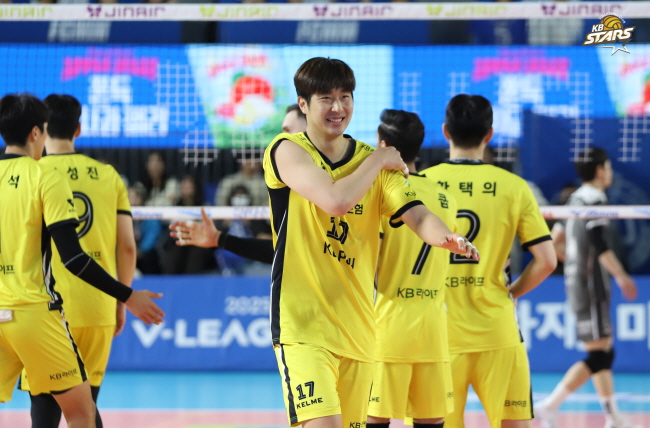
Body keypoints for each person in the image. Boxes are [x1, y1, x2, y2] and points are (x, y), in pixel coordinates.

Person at [172, 57, 478, 428]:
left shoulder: (373, 162)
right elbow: (335, 201)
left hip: (359, 329)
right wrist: (379, 159)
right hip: (302, 325)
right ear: (303, 104)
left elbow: (417, 214)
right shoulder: (287, 150)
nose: (338, 107)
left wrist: (447, 237)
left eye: (345, 97)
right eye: (326, 99)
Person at [0, 93, 164, 428]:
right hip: (43, 311)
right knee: (82, 412)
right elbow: (80, 256)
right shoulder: (48, 176)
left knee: (45, 408)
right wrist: (127, 296)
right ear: (37, 132)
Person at [421, 94, 557, 428]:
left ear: (446, 131)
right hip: (497, 331)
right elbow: (547, 261)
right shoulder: (514, 187)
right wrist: (510, 292)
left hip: (439, 334)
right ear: (489, 134)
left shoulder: (421, 184)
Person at [534, 147, 639, 428]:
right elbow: (599, 243)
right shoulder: (594, 200)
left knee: (603, 350)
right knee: (601, 353)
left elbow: (554, 241)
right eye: (609, 167)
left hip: (580, 283)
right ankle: (550, 406)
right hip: (591, 285)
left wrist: (573, 262)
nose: (611, 172)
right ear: (600, 170)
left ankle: (612, 417)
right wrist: (622, 276)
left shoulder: (574, 200)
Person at [367, 109, 457, 428]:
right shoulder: (445, 197)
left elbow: (368, 264)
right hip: (432, 330)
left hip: (387, 328)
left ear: (383, 146)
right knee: (430, 421)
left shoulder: (379, 192)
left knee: (373, 419)